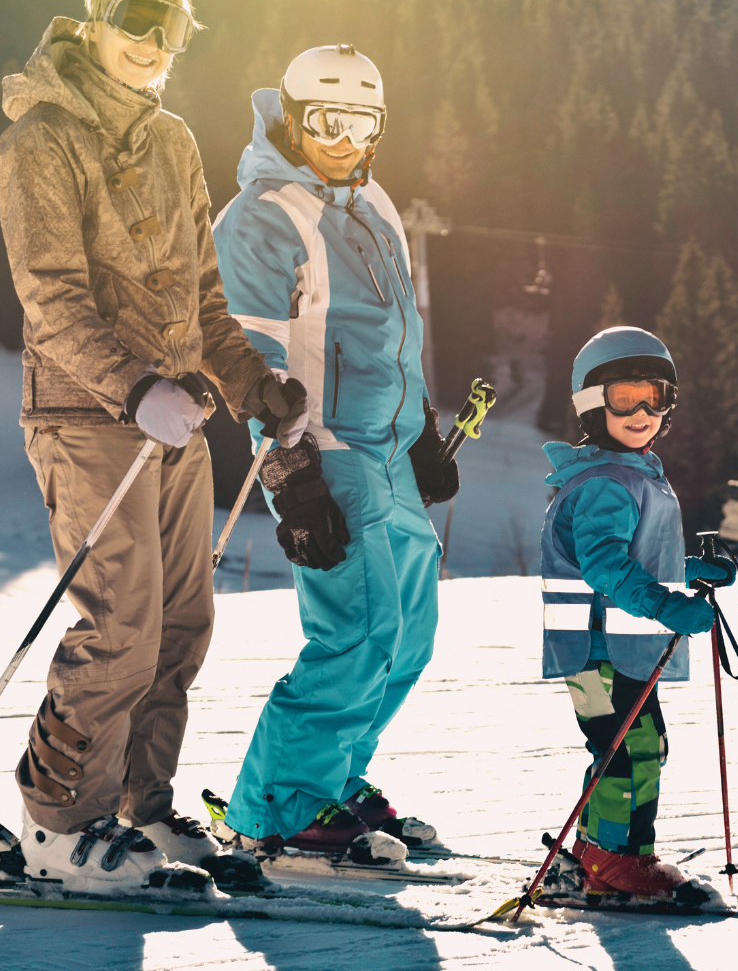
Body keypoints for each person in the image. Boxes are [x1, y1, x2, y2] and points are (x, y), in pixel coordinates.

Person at [0, 0, 309, 893]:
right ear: (92, 24)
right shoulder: (39, 141)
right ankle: (59, 825)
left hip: (177, 417)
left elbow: (206, 299)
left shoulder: (171, 140)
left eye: (165, 28)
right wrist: (133, 390)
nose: (148, 42)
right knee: (119, 623)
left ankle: (139, 809)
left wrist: (254, 385)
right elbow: (50, 298)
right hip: (90, 418)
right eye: (132, 20)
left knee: (180, 622)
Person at [209, 45, 460, 863]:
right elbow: (253, 367)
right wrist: (293, 479)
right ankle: (278, 806)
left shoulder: (376, 203)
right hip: (324, 451)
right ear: (291, 117)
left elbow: (396, 337)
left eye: (363, 123)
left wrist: (421, 429)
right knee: (358, 630)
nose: (346, 140)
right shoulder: (260, 218)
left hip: (389, 449)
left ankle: (336, 776)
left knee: (410, 632)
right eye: (328, 122)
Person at [538, 327, 736, 896]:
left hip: (615, 653)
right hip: (593, 655)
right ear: (592, 405)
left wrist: (687, 574)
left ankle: (607, 856)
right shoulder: (605, 483)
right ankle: (610, 864)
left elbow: (638, 555)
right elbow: (605, 567)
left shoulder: (630, 473)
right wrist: (667, 605)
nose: (642, 411)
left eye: (656, 395)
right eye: (625, 398)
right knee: (627, 750)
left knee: (635, 746)